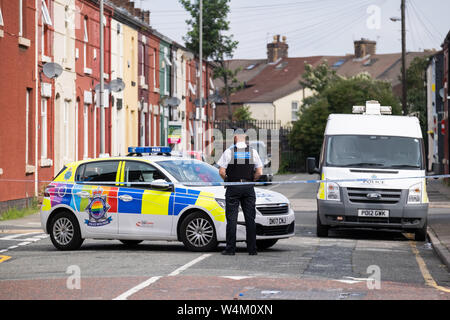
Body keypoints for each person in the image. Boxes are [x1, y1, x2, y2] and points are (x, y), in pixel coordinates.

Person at [217, 129, 263, 256]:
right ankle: (252, 249)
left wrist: (227, 180)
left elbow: (221, 171)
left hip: (233, 186)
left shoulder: (229, 152)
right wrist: (251, 180)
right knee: (250, 219)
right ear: (245, 138)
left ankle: (230, 249)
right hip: (248, 187)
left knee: (232, 219)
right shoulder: (253, 152)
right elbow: (259, 172)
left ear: (235, 138)